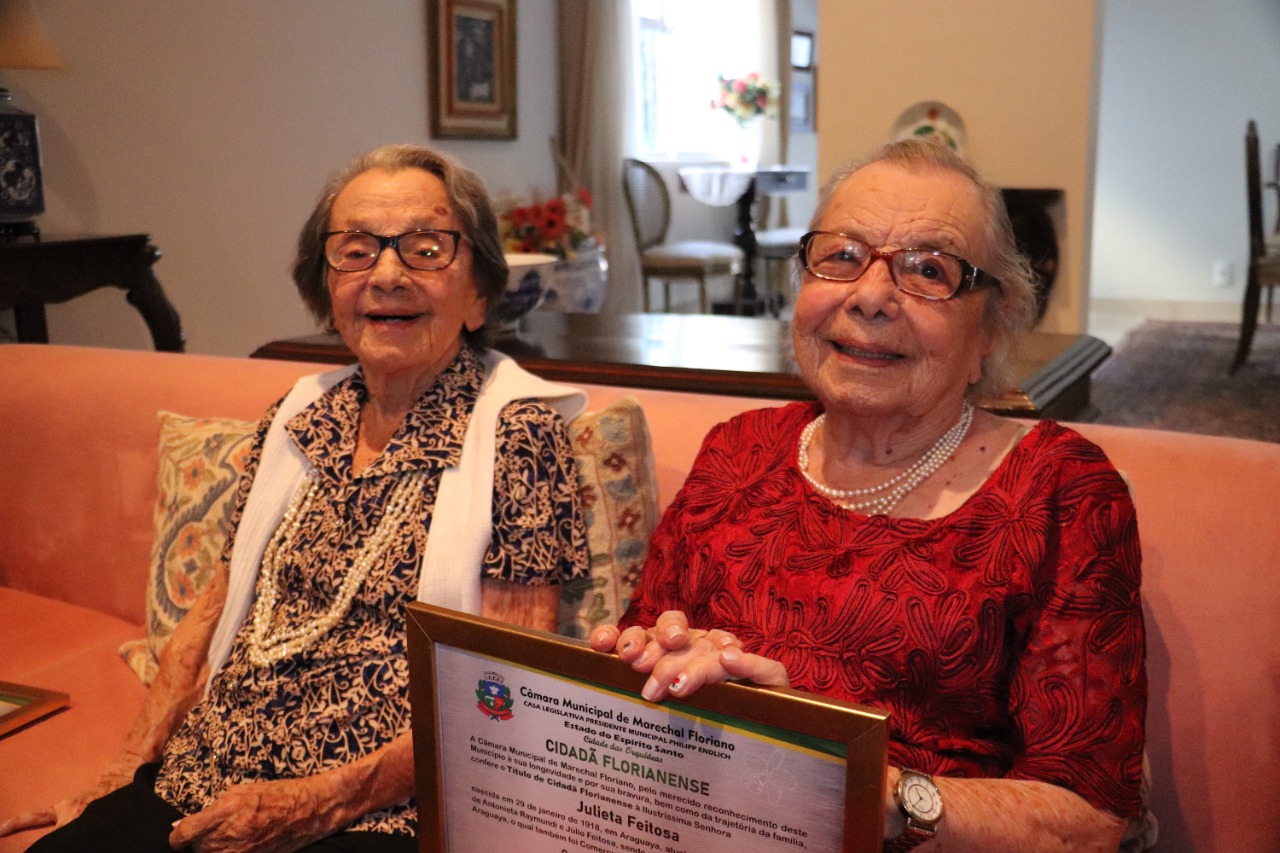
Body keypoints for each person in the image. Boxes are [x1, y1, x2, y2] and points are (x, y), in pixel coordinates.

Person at [2, 144, 589, 852]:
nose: (389, 274)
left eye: (427, 249)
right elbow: (211, 610)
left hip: (383, 806)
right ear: (326, 284)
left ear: (480, 293)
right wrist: (124, 771)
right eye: (357, 250)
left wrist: (315, 801)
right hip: (205, 773)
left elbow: (504, 682)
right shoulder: (301, 416)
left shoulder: (516, 433)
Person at [591, 139, 1147, 853]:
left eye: (928, 271)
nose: (871, 296)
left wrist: (855, 783)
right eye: (843, 256)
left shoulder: (1061, 491)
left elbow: (1091, 816)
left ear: (992, 327)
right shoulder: (738, 450)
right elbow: (634, 667)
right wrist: (655, 667)